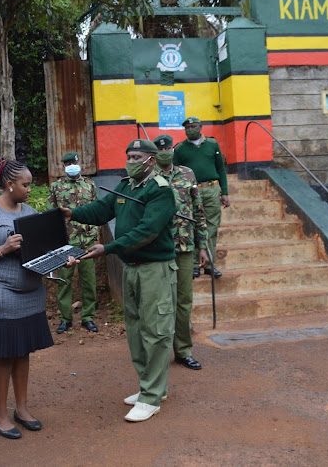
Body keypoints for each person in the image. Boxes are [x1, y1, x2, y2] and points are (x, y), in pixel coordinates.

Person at [60, 139, 177, 423]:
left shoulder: (160, 191)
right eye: (128, 155)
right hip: (132, 268)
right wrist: (72, 213)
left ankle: (151, 398)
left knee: (157, 331)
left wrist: (108, 248)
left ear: (151, 160)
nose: (130, 160)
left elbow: (146, 231)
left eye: (136, 156)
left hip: (155, 269)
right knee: (136, 329)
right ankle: (149, 387)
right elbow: (102, 210)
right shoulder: (125, 186)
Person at [0, 157, 57, 439]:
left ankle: (23, 409)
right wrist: (2, 249)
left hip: (30, 293)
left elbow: (39, 249)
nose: (30, 189)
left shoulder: (28, 211)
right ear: (9, 184)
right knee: (4, 354)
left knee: (23, 350)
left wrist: (58, 257)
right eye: (26, 185)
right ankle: (1, 415)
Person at [153, 134, 210, 370]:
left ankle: (183, 350)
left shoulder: (187, 174)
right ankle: (158, 353)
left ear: (173, 150)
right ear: (154, 153)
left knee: (184, 301)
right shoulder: (149, 177)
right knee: (159, 302)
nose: (165, 151)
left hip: (185, 247)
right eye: (161, 149)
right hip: (157, 249)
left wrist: (203, 245)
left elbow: (198, 209)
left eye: (168, 147)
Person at [47, 151, 100, 334]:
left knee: (89, 281)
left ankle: (88, 317)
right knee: (64, 282)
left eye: (73, 162)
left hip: (87, 242)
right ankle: (65, 319)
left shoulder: (90, 185)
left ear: (79, 162)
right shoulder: (56, 186)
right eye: (67, 163)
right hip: (66, 243)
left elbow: (96, 210)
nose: (71, 165)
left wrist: (95, 233)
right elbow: (51, 214)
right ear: (63, 166)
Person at [173, 116, 230, 278]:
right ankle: (194, 265)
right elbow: (176, 173)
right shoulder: (180, 149)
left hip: (211, 189)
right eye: (187, 127)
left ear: (200, 127)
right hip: (190, 191)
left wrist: (224, 192)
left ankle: (210, 264)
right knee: (192, 226)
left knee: (211, 227)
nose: (190, 129)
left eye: (193, 126)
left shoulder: (212, 145)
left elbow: (221, 169)